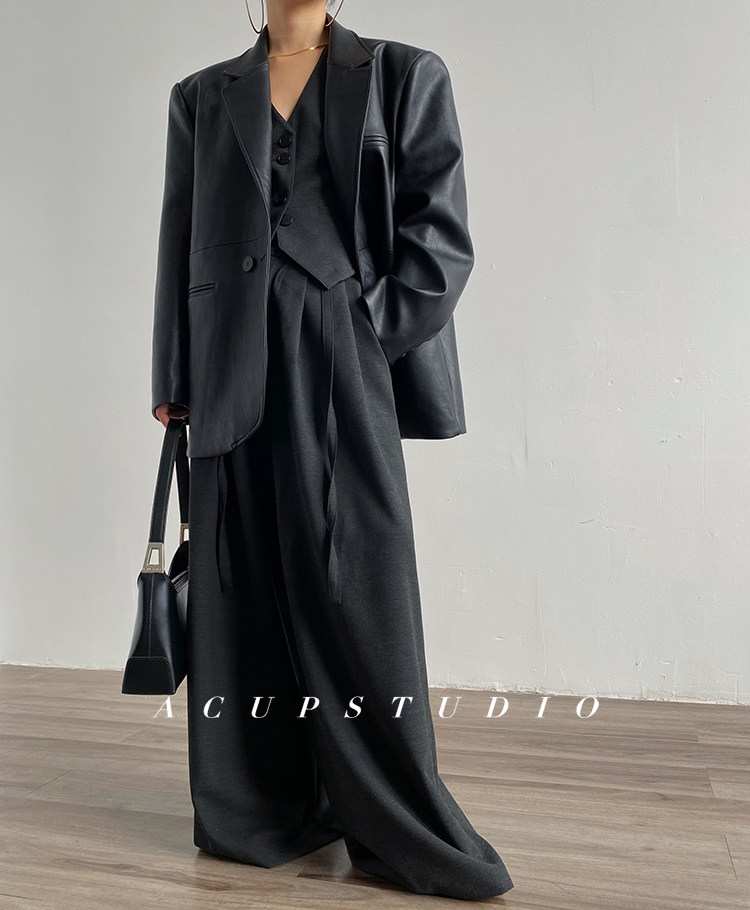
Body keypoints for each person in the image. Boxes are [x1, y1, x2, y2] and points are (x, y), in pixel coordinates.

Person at [152, 0, 514, 899]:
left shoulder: (403, 73)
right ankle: (259, 813)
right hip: (230, 365)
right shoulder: (201, 95)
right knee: (241, 584)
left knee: (357, 585)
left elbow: (441, 239)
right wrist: (174, 374)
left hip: (344, 354)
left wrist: (363, 333)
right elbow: (179, 239)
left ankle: (399, 825)